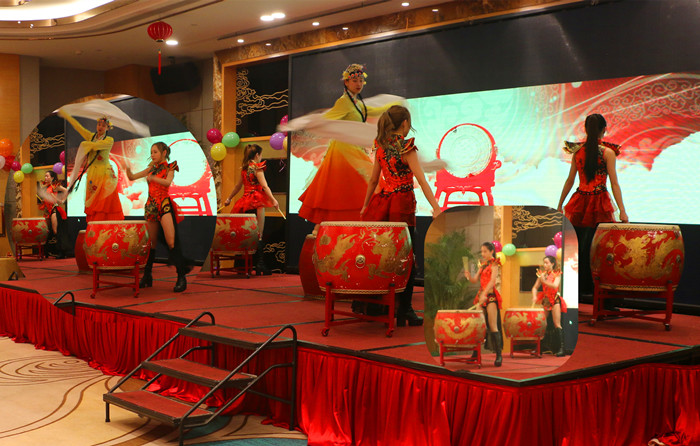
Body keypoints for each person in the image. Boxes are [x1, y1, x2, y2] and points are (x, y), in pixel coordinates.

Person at [361, 105, 441, 327]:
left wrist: (365, 205)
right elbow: (422, 180)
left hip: (384, 204)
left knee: (383, 254)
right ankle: (404, 309)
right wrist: (436, 207)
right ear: (405, 123)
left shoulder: (381, 146)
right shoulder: (406, 147)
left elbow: (373, 180)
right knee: (406, 257)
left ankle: (379, 306)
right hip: (402, 205)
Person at [299, 64, 397, 234]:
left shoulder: (357, 103)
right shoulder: (343, 102)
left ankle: (337, 229)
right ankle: (326, 229)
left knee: (349, 189)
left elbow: (372, 111)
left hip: (353, 149)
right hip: (343, 150)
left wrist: (392, 106)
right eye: (354, 80)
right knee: (358, 185)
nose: (358, 84)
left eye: (360, 80)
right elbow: (327, 118)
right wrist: (312, 122)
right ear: (346, 82)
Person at [557, 113, 628, 296]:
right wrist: (622, 211)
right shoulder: (608, 153)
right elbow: (614, 184)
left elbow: (570, 180)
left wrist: (560, 204)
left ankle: (577, 291)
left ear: (586, 129)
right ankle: (596, 292)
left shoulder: (578, 152)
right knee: (599, 248)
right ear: (604, 130)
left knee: (579, 248)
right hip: (599, 203)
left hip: (579, 202)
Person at [125, 142, 189, 292]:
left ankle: (181, 276)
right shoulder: (151, 168)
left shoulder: (170, 167)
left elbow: (167, 182)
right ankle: (147, 276)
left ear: (164, 152)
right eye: (151, 152)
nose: (152, 155)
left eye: (155, 152)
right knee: (151, 244)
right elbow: (132, 177)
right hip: (151, 206)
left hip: (164, 204)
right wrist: (127, 168)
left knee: (171, 241)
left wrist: (153, 178)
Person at [57, 109, 124, 222]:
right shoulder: (91, 137)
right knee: (93, 200)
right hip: (93, 173)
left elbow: (95, 146)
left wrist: (84, 144)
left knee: (105, 201)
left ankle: (106, 225)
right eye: (99, 124)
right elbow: (79, 128)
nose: (100, 127)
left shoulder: (109, 140)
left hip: (105, 174)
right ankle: (94, 225)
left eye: (103, 125)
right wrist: (68, 117)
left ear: (107, 128)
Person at [223, 144, 279, 275]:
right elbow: (265, 186)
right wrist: (273, 200)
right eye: (261, 154)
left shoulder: (244, 169)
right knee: (259, 234)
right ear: (257, 155)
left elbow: (237, 186)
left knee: (245, 234)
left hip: (244, 203)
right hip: (256, 202)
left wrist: (229, 199)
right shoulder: (257, 168)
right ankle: (259, 265)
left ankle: (243, 266)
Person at [464, 242, 503, 367]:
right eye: (482, 251)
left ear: (492, 251)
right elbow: (475, 280)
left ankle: (499, 355)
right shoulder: (483, 264)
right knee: (478, 325)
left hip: (490, 297)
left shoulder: (495, 264)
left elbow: (492, 281)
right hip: (481, 296)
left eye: (485, 251)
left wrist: (484, 294)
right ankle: (475, 354)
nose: (483, 254)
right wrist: (469, 277)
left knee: (493, 326)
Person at [532, 255, 566, 357]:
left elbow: (555, 285)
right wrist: (534, 296)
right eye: (544, 263)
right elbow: (535, 287)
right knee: (542, 324)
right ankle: (539, 348)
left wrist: (544, 281)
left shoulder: (557, 274)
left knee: (557, 324)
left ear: (552, 263)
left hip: (555, 300)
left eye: (547, 263)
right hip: (546, 300)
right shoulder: (542, 275)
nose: (545, 265)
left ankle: (561, 349)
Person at [38, 170, 68, 258]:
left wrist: (61, 200)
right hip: (47, 210)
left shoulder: (55, 186)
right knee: (47, 231)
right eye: (45, 176)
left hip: (54, 209)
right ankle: (46, 251)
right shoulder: (46, 187)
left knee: (55, 230)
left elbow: (66, 190)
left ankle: (61, 252)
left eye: (47, 176)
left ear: (52, 177)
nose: (45, 178)